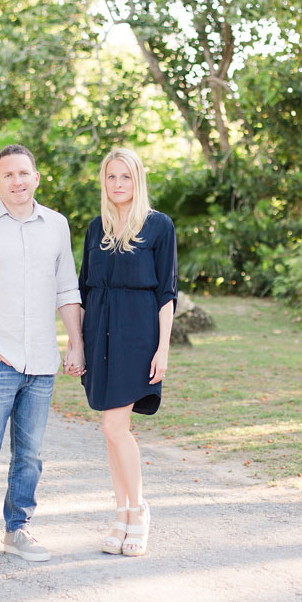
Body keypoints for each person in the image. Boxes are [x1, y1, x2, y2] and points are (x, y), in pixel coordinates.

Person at [0, 143, 85, 575]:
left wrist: (75, 343)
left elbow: (67, 291)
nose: (17, 181)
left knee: (30, 456)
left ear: (36, 177)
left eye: (24, 173)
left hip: (41, 363)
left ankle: (17, 529)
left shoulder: (56, 226)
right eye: (8, 175)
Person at [78, 148, 177, 557]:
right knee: (112, 431)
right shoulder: (94, 228)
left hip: (138, 336)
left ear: (138, 180)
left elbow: (167, 293)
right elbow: (82, 290)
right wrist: (76, 342)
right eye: (111, 177)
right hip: (98, 334)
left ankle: (138, 511)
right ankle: (120, 513)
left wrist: (163, 349)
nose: (118, 185)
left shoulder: (158, 227)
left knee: (115, 428)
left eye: (126, 177)